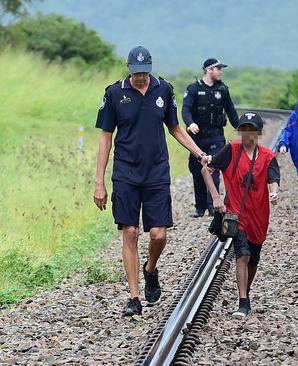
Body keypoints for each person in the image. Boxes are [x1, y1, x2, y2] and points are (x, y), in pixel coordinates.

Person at [93, 46, 210, 316]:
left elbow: (176, 128)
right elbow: (105, 138)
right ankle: (134, 298)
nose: (141, 77)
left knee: (158, 234)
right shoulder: (114, 93)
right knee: (131, 232)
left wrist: (200, 154)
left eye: (145, 72)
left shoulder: (163, 90)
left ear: (151, 69)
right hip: (125, 172)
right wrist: (99, 182)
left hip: (156, 171)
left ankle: (151, 269)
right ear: (128, 68)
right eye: (136, 73)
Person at [203, 112, 280, 319]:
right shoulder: (231, 150)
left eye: (252, 129)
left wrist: (274, 191)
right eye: (244, 129)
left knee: (253, 259)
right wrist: (216, 197)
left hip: (259, 216)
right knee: (242, 255)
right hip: (236, 215)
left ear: (259, 132)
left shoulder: (267, 156)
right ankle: (243, 301)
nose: (247, 134)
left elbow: (273, 178)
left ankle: (246, 292)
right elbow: (206, 170)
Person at [182, 58, 239, 218]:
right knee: (197, 171)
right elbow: (185, 109)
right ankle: (200, 207)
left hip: (216, 138)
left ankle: (213, 205)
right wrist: (190, 123)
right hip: (197, 139)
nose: (220, 72)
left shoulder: (223, 90)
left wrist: (242, 128)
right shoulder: (193, 89)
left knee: (214, 169)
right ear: (209, 70)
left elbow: (231, 112)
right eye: (218, 68)